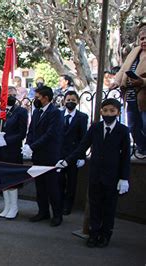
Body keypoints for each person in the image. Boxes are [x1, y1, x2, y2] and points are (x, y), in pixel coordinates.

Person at [56, 99, 130, 248]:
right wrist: (67, 161)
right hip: (95, 174)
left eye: (112, 111)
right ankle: (94, 233)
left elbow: (125, 156)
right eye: (106, 110)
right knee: (95, 206)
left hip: (112, 176)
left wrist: (124, 178)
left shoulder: (123, 130)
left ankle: (105, 234)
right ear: (101, 112)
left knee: (109, 207)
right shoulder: (95, 128)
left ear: (118, 113)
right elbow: (82, 146)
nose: (109, 114)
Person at [23, 86, 64, 226]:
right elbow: (31, 131)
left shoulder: (55, 113)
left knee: (52, 187)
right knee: (40, 187)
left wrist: (33, 146)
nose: (36, 100)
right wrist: (28, 144)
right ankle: (43, 212)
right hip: (38, 156)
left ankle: (57, 215)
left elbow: (50, 134)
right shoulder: (36, 113)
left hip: (50, 156)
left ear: (46, 98)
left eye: (38, 97)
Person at [109, 25, 146, 156]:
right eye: (142, 38)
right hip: (130, 95)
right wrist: (117, 82)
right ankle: (142, 148)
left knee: (145, 124)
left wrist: (143, 81)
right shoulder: (134, 51)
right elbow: (124, 68)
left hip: (144, 96)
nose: (144, 41)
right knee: (132, 125)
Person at [0, 89, 28, 219]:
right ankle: (7, 206)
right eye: (8, 95)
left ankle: (14, 207)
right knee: (4, 179)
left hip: (13, 150)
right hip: (0, 150)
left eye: (13, 95)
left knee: (12, 180)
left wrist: (6, 140)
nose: (11, 97)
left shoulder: (21, 111)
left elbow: (22, 133)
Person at [59, 91, 88, 215]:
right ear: (64, 101)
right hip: (59, 154)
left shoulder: (82, 117)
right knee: (59, 181)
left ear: (77, 101)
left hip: (73, 154)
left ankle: (68, 205)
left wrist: (81, 156)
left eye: (73, 100)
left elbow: (83, 138)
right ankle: (59, 202)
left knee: (72, 182)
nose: (70, 102)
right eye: (68, 100)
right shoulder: (58, 115)